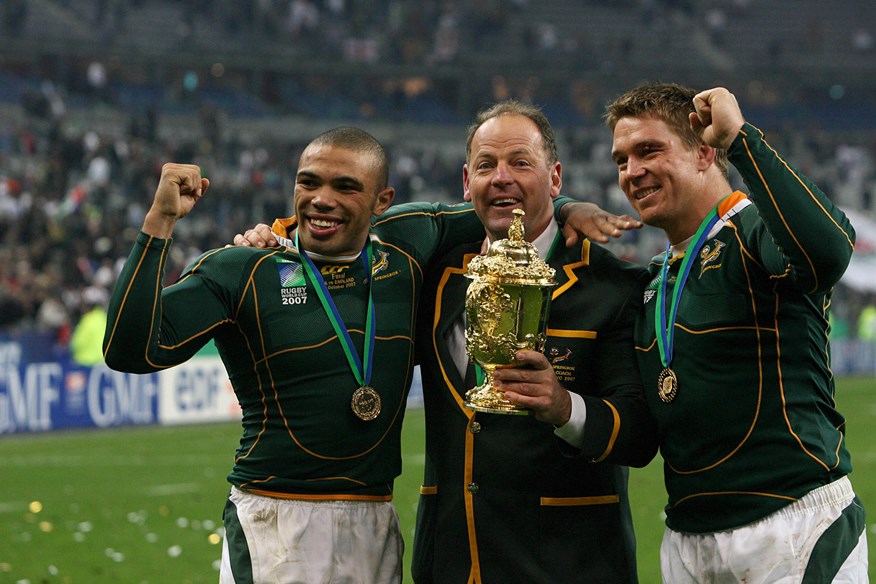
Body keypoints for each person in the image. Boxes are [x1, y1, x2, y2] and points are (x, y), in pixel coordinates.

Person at [104, 126, 622, 583]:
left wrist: (568, 204)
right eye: (308, 182)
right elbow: (129, 350)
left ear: (382, 202)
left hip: (375, 519)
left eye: (345, 187)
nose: (321, 199)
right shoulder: (243, 268)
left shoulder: (408, 246)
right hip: (275, 521)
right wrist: (159, 225)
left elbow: (505, 200)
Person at [236, 102, 658, 583]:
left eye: (520, 162)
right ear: (466, 181)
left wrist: (566, 408)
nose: (501, 178)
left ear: (556, 177)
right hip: (452, 563)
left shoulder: (613, 286)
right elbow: (354, 223)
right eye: (486, 166)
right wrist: (278, 234)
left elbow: (640, 436)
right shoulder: (433, 272)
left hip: (569, 565)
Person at [603, 83, 868, 582]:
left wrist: (741, 138)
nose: (631, 171)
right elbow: (641, 435)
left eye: (649, 150)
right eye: (621, 160)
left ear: (705, 152)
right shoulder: (655, 280)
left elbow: (829, 251)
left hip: (792, 528)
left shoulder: (754, 231)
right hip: (687, 540)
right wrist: (559, 408)